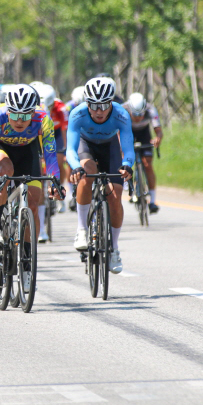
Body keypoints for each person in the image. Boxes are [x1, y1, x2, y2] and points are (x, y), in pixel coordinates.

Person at [0, 84, 60, 290]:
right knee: (1, 176)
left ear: (34, 111)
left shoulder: (43, 119)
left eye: (25, 116)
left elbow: (50, 156)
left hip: (27, 152)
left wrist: (55, 181)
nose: (20, 121)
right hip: (1, 150)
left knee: (34, 200)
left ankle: (27, 260)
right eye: (15, 115)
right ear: (8, 110)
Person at [67, 76, 134, 274]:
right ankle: (81, 230)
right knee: (87, 173)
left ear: (111, 102)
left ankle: (113, 248)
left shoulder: (121, 114)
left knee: (115, 196)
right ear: (86, 102)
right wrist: (74, 166)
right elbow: (70, 149)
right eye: (93, 105)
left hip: (110, 147)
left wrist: (127, 165)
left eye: (104, 105)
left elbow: (128, 149)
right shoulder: (77, 114)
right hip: (85, 145)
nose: (99, 111)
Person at [35, 82, 69, 242]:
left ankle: (57, 186)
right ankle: (41, 228)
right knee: (39, 177)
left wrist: (65, 151)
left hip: (55, 134)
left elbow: (65, 131)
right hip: (37, 135)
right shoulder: (34, 110)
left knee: (60, 160)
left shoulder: (61, 108)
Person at [124, 92, 163, 214]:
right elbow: (117, 131)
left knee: (147, 165)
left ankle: (152, 201)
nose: (138, 117)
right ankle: (128, 186)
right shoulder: (122, 109)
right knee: (125, 161)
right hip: (128, 133)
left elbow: (158, 131)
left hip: (144, 134)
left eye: (141, 114)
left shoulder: (151, 109)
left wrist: (157, 139)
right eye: (135, 114)